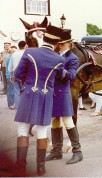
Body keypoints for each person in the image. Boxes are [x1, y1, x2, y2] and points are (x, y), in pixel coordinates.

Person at [14, 25, 64, 176]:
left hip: (28, 94)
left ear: (43, 37)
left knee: (23, 131)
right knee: (42, 132)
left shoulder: (30, 52)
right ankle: (40, 168)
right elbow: (60, 77)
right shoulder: (59, 59)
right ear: (56, 44)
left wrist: (28, 83)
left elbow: (17, 74)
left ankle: (21, 166)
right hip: (45, 97)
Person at [45, 29, 83, 164]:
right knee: (54, 121)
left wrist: (59, 67)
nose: (58, 46)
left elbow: (72, 76)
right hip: (53, 93)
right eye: (58, 44)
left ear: (67, 44)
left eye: (60, 44)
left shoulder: (73, 58)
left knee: (68, 121)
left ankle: (77, 152)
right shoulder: (55, 54)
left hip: (63, 93)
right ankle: (56, 151)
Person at [8, 40, 27, 109]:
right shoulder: (26, 54)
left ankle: (18, 108)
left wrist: (11, 75)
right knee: (25, 91)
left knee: (16, 92)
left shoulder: (14, 54)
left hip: (15, 74)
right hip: (24, 75)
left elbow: (10, 66)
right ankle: (24, 108)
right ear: (25, 46)